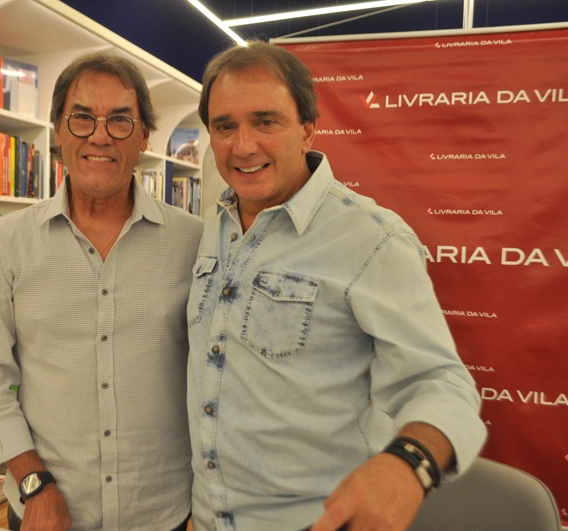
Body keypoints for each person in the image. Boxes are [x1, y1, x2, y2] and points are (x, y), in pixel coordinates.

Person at [187, 40, 487, 531]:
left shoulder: (372, 238)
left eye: (266, 121)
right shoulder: (210, 230)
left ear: (307, 129)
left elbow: (442, 383)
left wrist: (408, 464)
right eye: (225, 126)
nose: (243, 145)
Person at [0, 51, 203, 531]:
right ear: (57, 131)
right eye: (82, 118)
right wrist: (33, 482)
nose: (99, 134)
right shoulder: (9, 241)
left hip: (161, 513)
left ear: (144, 137)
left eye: (119, 120)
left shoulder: (195, 243)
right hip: (43, 511)